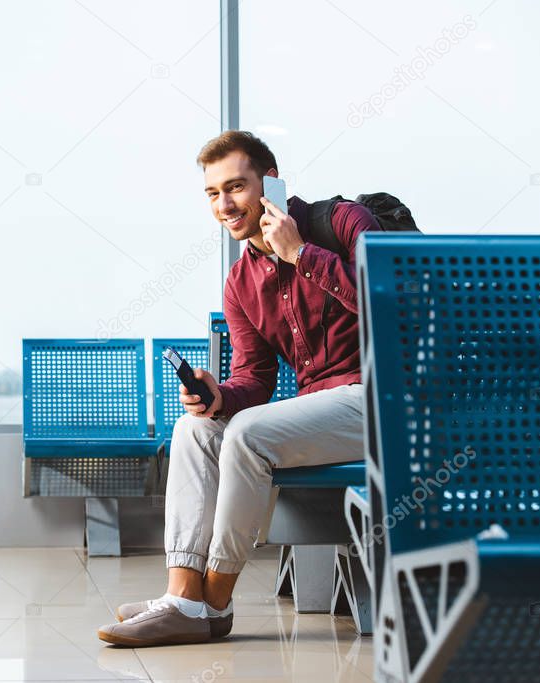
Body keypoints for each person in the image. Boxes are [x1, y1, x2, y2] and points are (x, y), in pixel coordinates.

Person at [97, 130, 380, 647]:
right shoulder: (240, 281)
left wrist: (302, 256)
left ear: (270, 181)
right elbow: (256, 378)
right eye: (212, 193)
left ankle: (213, 601)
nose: (224, 205)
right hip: (321, 409)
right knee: (196, 429)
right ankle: (183, 594)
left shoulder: (342, 223)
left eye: (236, 187)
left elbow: (399, 309)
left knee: (247, 434)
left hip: (383, 402)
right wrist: (220, 395)